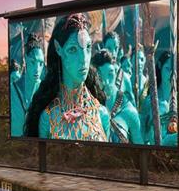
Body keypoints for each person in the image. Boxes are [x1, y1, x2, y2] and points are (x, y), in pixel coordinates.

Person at [25, 13, 108, 142]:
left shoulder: (101, 114)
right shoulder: (48, 117)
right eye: (73, 50)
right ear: (59, 49)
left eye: (87, 47)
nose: (84, 59)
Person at [91, 49, 143, 144]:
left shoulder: (129, 112)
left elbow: (141, 151)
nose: (106, 82)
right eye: (100, 76)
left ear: (115, 71)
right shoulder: (89, 107)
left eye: (110, 74)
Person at [141, 48, 178, 146]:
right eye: (167, 69)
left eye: (174, 70)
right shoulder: (150, 101)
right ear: (160, 66)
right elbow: (143, 136)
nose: (171, 74)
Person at [10, 33, 45, 137]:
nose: (37, 69)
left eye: (41, 63)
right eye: (33, 62)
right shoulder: (12, 91)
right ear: (25, 58)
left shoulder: (44, 90)